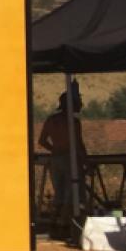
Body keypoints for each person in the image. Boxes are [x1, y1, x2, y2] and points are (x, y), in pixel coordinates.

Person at [37, 80, 88, 227]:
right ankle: (65, 226)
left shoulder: (51, 120)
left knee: (59, 193)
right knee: (70, 194)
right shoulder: (73, 122)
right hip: (69, 159)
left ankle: (53, 223)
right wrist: (85, 161)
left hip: (55, 159)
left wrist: (55, 150)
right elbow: (78, 144)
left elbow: (42, 141)